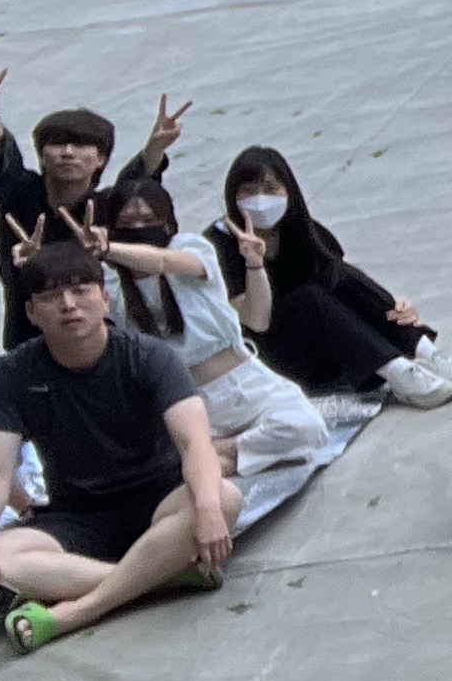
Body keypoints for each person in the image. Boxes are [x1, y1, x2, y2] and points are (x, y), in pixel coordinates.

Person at [0, 240, 235, 655]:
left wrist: (209, 509)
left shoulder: (148, 356)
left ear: (105, 299)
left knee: (225, 497)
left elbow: (194, 442)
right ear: (31, 312)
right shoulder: (11, 374)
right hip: (77, 515)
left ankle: (77, 612)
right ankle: (161, 576)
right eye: (51, 296)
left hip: (159, 501)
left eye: (81, 290)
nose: (68, 304)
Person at [91, 176, 337, 482]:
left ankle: (215, 456)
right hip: (186, 402)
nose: (139, 228)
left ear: (167, 222)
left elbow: (163, 262)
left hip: (244, 383)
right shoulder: (111, 281)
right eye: (127, 223)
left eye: (149, 220)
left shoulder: (190, 247)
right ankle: (213, 459)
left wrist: (109, 249)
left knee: (307, 429)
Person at [208, 149, 452, 409]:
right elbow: (257, 321)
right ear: (233, 196)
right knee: (308, 298)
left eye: (270, 189)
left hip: (327, 347)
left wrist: (390, 302)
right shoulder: (220, 244)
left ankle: (426, 352)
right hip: (273, 358)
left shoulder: (298, 227)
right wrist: (254, 262)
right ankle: (397, 371)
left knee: (339, 275)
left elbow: (344, 276)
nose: (260, 200)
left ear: (288, 191)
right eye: (249, 191)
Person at [0, 64, 184, 346]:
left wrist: (154, 150)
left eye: (81, 145)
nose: (68, 153)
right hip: (29, 338)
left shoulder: (105, 208)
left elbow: (135, 188)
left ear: (101, 159)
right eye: (57, 144)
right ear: (41, 156)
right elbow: (2, 161)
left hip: (102, 337)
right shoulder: (19, 196)